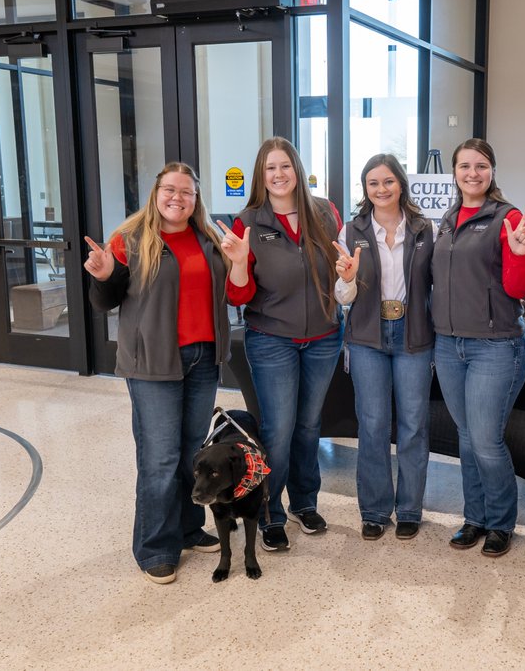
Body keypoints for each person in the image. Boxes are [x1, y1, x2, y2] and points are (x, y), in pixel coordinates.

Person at [84, 162, 236, 584]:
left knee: (192, 452)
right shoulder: (130, 239)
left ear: (196, 199)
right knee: (160, 458)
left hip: (203, 358)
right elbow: (106, 300)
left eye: (186, 192)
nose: (177, 198)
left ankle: (188, 528)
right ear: (155, 193)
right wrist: (102, 276)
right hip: (153, 362)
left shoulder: (207, 238)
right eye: (170, 190)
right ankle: (154, 546)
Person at [225, 137, 343, 553]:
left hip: (325, 339)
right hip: (272, 339)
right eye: (270, 168)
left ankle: (304, 504)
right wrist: (239, 263)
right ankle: (271, 511)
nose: (279, 174)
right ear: (261, 175)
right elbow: (237, 297)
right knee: (278, 428)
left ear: (297, 170)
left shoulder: (325, 213)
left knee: (310, 427)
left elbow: (343, 272)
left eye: (285, 166)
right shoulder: (247, 223)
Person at [432, 138, 525, 558]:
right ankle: (474, 518)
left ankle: (500, 523)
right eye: (464, 166)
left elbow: (518, 288)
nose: (472, 173)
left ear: (492, 170)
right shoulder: (448, 218)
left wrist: (520, 254)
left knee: (487, 440)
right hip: (448, 344)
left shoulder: (506, 217)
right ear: (454, 173)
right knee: (465, 437)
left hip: (495, 347)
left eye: (480, 166)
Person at [332, 154, 435, 542]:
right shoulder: (351, 231)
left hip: (413, 334)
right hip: (366, 337)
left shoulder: (426, 229)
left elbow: (436, 284)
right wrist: (348, 279)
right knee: (373, 425)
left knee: (413, 426)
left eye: (388, 181)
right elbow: (344, 297)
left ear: (401, 184)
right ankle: (374, 510)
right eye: (373, 183)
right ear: (365, 189)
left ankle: (409, 509)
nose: (381, 189)